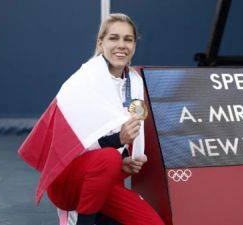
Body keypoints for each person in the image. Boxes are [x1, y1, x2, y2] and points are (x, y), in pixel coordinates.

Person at [18, 13, 164, 225]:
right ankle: (82, 220)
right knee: (108, 158)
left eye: (128, 39)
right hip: (67, 182)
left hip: (104, 182)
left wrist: (125, 164)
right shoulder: (83, 81)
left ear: (134, 45)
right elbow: (70, 149)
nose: (121, 45)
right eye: (114, 38)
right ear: (100, 42)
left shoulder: (135, 81)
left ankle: (93, 214)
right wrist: (117, 141)